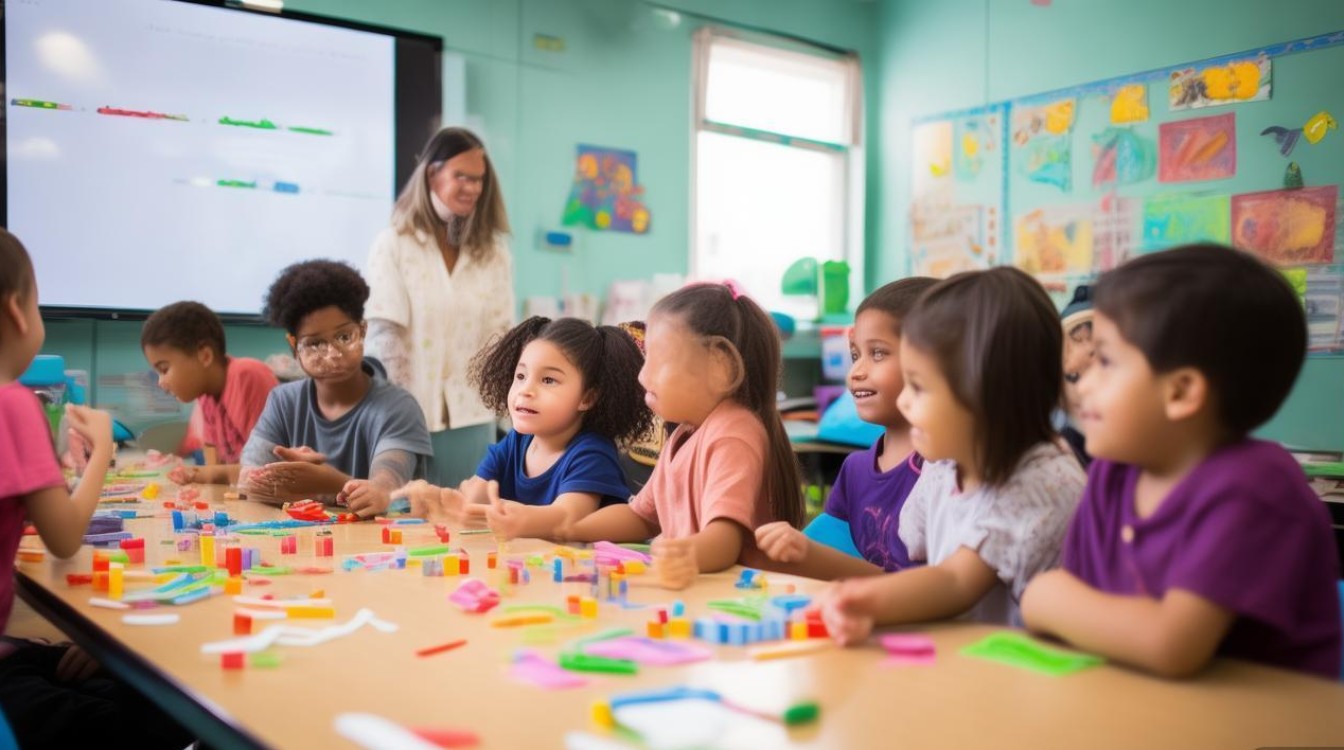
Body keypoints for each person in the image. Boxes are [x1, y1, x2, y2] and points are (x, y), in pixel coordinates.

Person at [1022, 245, 1342, 679]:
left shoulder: (1255, 487)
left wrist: (1045, 595)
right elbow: (1081, 615)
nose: (1083, 384)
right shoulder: (1115, 472)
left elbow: (1170, 645)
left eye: (1106, 362)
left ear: (1181, 392)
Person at [0, 228, 191, 749]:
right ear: (19, 311)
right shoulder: (14, 404)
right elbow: (64, 538)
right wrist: (102, 449)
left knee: (89, 672)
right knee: (156, 715)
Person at [822, 267, 1086, 642]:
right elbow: (916, 561)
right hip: (960, 656)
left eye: (918, 386)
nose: (904, 401)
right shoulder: (945, 466)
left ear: (982, 392)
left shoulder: (1040, 480)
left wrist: (870, 599)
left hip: (1027, 678)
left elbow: (955, 581)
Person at [552, 282, 806, 589]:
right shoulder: (687, 432)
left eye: (657, 362)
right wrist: (569, 528)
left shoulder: (733, 435)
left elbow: (723, 543)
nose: (642, 376)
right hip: (702, 589)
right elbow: (641, 517)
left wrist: (675, 554)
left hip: (741, 594)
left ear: (720, 366)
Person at [398, 316, 654, 539]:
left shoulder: (592, 453)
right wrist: (439, 501)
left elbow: (567, 516)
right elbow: (473, 499)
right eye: (520, 376)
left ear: (587, 398)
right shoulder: (514, 443)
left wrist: (517, 518)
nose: (526, 390)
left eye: (549, 380)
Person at [755, 277, 937, 578]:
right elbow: (823, 548)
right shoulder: (855, 469)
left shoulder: (942, 472)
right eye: (855, 355)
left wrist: (809, 554)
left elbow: (924, 589)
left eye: (877, 353)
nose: (857, 372)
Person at [365, 127, 514, 486]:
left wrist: (510, 417)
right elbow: (386, 336)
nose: (473, 188)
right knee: (403, 524)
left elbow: (502, 337)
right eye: (461, 176)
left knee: (469, 528)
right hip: (407, 418)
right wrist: (400, 411)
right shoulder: (394, 244)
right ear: (432, 173)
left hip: (472, 417)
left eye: (479, 179)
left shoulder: (493, 253)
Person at [239, 260, 432, 517]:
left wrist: (323, 482)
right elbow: (246, 481)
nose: (332, 355)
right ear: (293, 346)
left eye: (344, 337)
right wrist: (284, 473)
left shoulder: (398, 407)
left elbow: (384, 489)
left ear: (362, 331)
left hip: (384, 549)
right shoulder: (283, 401)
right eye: (315, 343)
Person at [140, 301, 278, 484]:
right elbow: (214, 465)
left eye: (164, 369)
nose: (161, 383)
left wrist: (200, 474)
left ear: (204, 356)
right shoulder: (205, 395)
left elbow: (267, 469)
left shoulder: (246, 375)